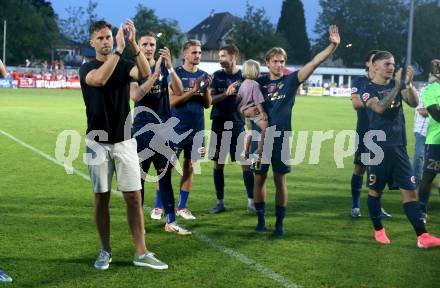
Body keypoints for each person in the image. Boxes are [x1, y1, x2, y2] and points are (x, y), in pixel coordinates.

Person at [79, 19, 168, 270]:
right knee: (101, 198)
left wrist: (131, 43)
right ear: (92, 42)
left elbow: (145, 73)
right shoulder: (87, 68)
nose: (106, 41)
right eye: (101, 38)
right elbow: (98, 80)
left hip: (125, 141)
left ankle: (141, 252)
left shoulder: (124, 63)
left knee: (133, 197)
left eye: (109, 37)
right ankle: (105, 250)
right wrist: (118, 50)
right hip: (97, 142)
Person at [249, 25, 340, 236]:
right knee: (258, 178)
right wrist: (255, 118)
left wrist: (332, 46)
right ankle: (261, 220)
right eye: (275, 61)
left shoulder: (290, 81)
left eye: (282, 61)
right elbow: (244, 107)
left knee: (280, 181)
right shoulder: (256, 83)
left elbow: (314, 62)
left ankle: (280, 223)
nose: (279, 65)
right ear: (267, 63)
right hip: (259, 138)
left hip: (281, 138)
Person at [361, 51, 440, 248]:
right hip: (377, 147)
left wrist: (408, 84)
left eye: (393, 64)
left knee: (410, 192)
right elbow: (379, 108)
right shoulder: (367, 88)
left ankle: (422, 237)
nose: (391, 67)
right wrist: (397, 85)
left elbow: (413, 102)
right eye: (387, 64)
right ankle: (379, 229)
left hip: (398, 146)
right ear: (375, 66)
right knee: (375, 191)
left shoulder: (397, 85)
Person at [130, 32, 191, 236]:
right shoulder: (135, 68)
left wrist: (171, 67)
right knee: (138, 180)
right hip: (142, 131)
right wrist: (155, 74)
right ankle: (138, 223)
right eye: (145, 44)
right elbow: (136, 95)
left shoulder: (164, 66)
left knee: (165, 177)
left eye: (152, 44)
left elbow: (179, 91)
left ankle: (171, 221)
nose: (148, 48)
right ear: (138, 46)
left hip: (164, 130)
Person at [156, 39, 212, 220]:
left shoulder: (204, 75)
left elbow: (207, 104)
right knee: (167, 168)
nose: (198, 56)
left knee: (189, 167)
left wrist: (206, 90)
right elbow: (173, 101)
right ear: (185, 54)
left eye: (199, 53)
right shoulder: (176, 74)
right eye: (194, 52)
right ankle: (158, 207)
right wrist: (194, 90)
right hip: (175, 129)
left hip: (197, 129)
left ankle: (182, 207)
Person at [209, 44, 255, 213]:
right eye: (219, 56)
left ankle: (251, 202)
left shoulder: (245, 77)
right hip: (219, 125)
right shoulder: (216, 76)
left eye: (223, 56)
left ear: (233, 56)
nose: (220, 59)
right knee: (218, 165)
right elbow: (209, 101)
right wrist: (225, 94)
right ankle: (220, 202)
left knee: (245, 163)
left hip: (237, 125)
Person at [349, 50, 391, 219]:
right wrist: (376, 103)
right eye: (375, 61)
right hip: (365, 129)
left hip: (383, 131)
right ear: (368, 64)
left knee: (379, 170)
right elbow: (356, 103)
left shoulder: (386, 82)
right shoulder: (359, 81)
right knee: (360, 167)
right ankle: (355, 206)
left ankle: (376, 207)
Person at [418, 59, 440, 223]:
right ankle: (421, 210)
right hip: (436, 141)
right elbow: (436, 115)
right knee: (428, 176)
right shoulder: (429, 90)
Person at [237, 59, 268, 170]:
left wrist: (242, 109)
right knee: (265, 127)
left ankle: (245, 151)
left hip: (246, 113)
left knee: (249, 131)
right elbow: (258, 100)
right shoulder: (255, 84)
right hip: (254, 112)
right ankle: (259, 150)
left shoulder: (243, 84)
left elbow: (239, 99)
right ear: (256, 71)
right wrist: (262, 112)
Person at [412, 88, 429, 186]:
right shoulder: (424, 91)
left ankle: (427, 181)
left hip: (436, 132)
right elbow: (422, 111)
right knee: (419, 155)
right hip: (422, 130)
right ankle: (416, 180)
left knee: (432, 159)